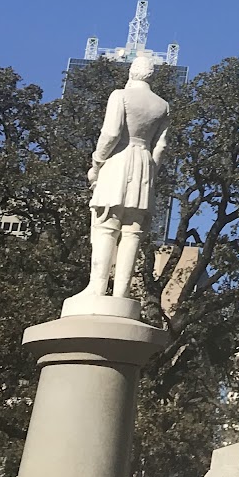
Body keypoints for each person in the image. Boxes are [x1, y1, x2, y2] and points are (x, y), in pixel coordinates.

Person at [78, 54, 170, 303]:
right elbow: (160, 147)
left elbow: (110, 133)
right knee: (132, 231)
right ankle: (122, 294)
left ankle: (96, 289)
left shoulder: (120, 95)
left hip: (118, 161)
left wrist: (97, 162)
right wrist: (152, 172)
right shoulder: (162, 105)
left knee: (105, 225)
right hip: (144, 165)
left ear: (131, 72)